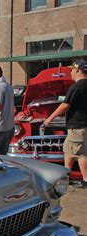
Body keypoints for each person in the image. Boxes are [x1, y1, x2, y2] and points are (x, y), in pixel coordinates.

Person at [45, 59, 87, 188]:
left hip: (77, 126)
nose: (71, 72)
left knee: (80, 153)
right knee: (69, 150)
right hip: (83, 125)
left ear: (78, 70)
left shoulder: (77, 86)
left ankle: (85, 180)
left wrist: (49, 118)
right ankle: (65, 178)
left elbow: (65, 105)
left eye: (72, 70)